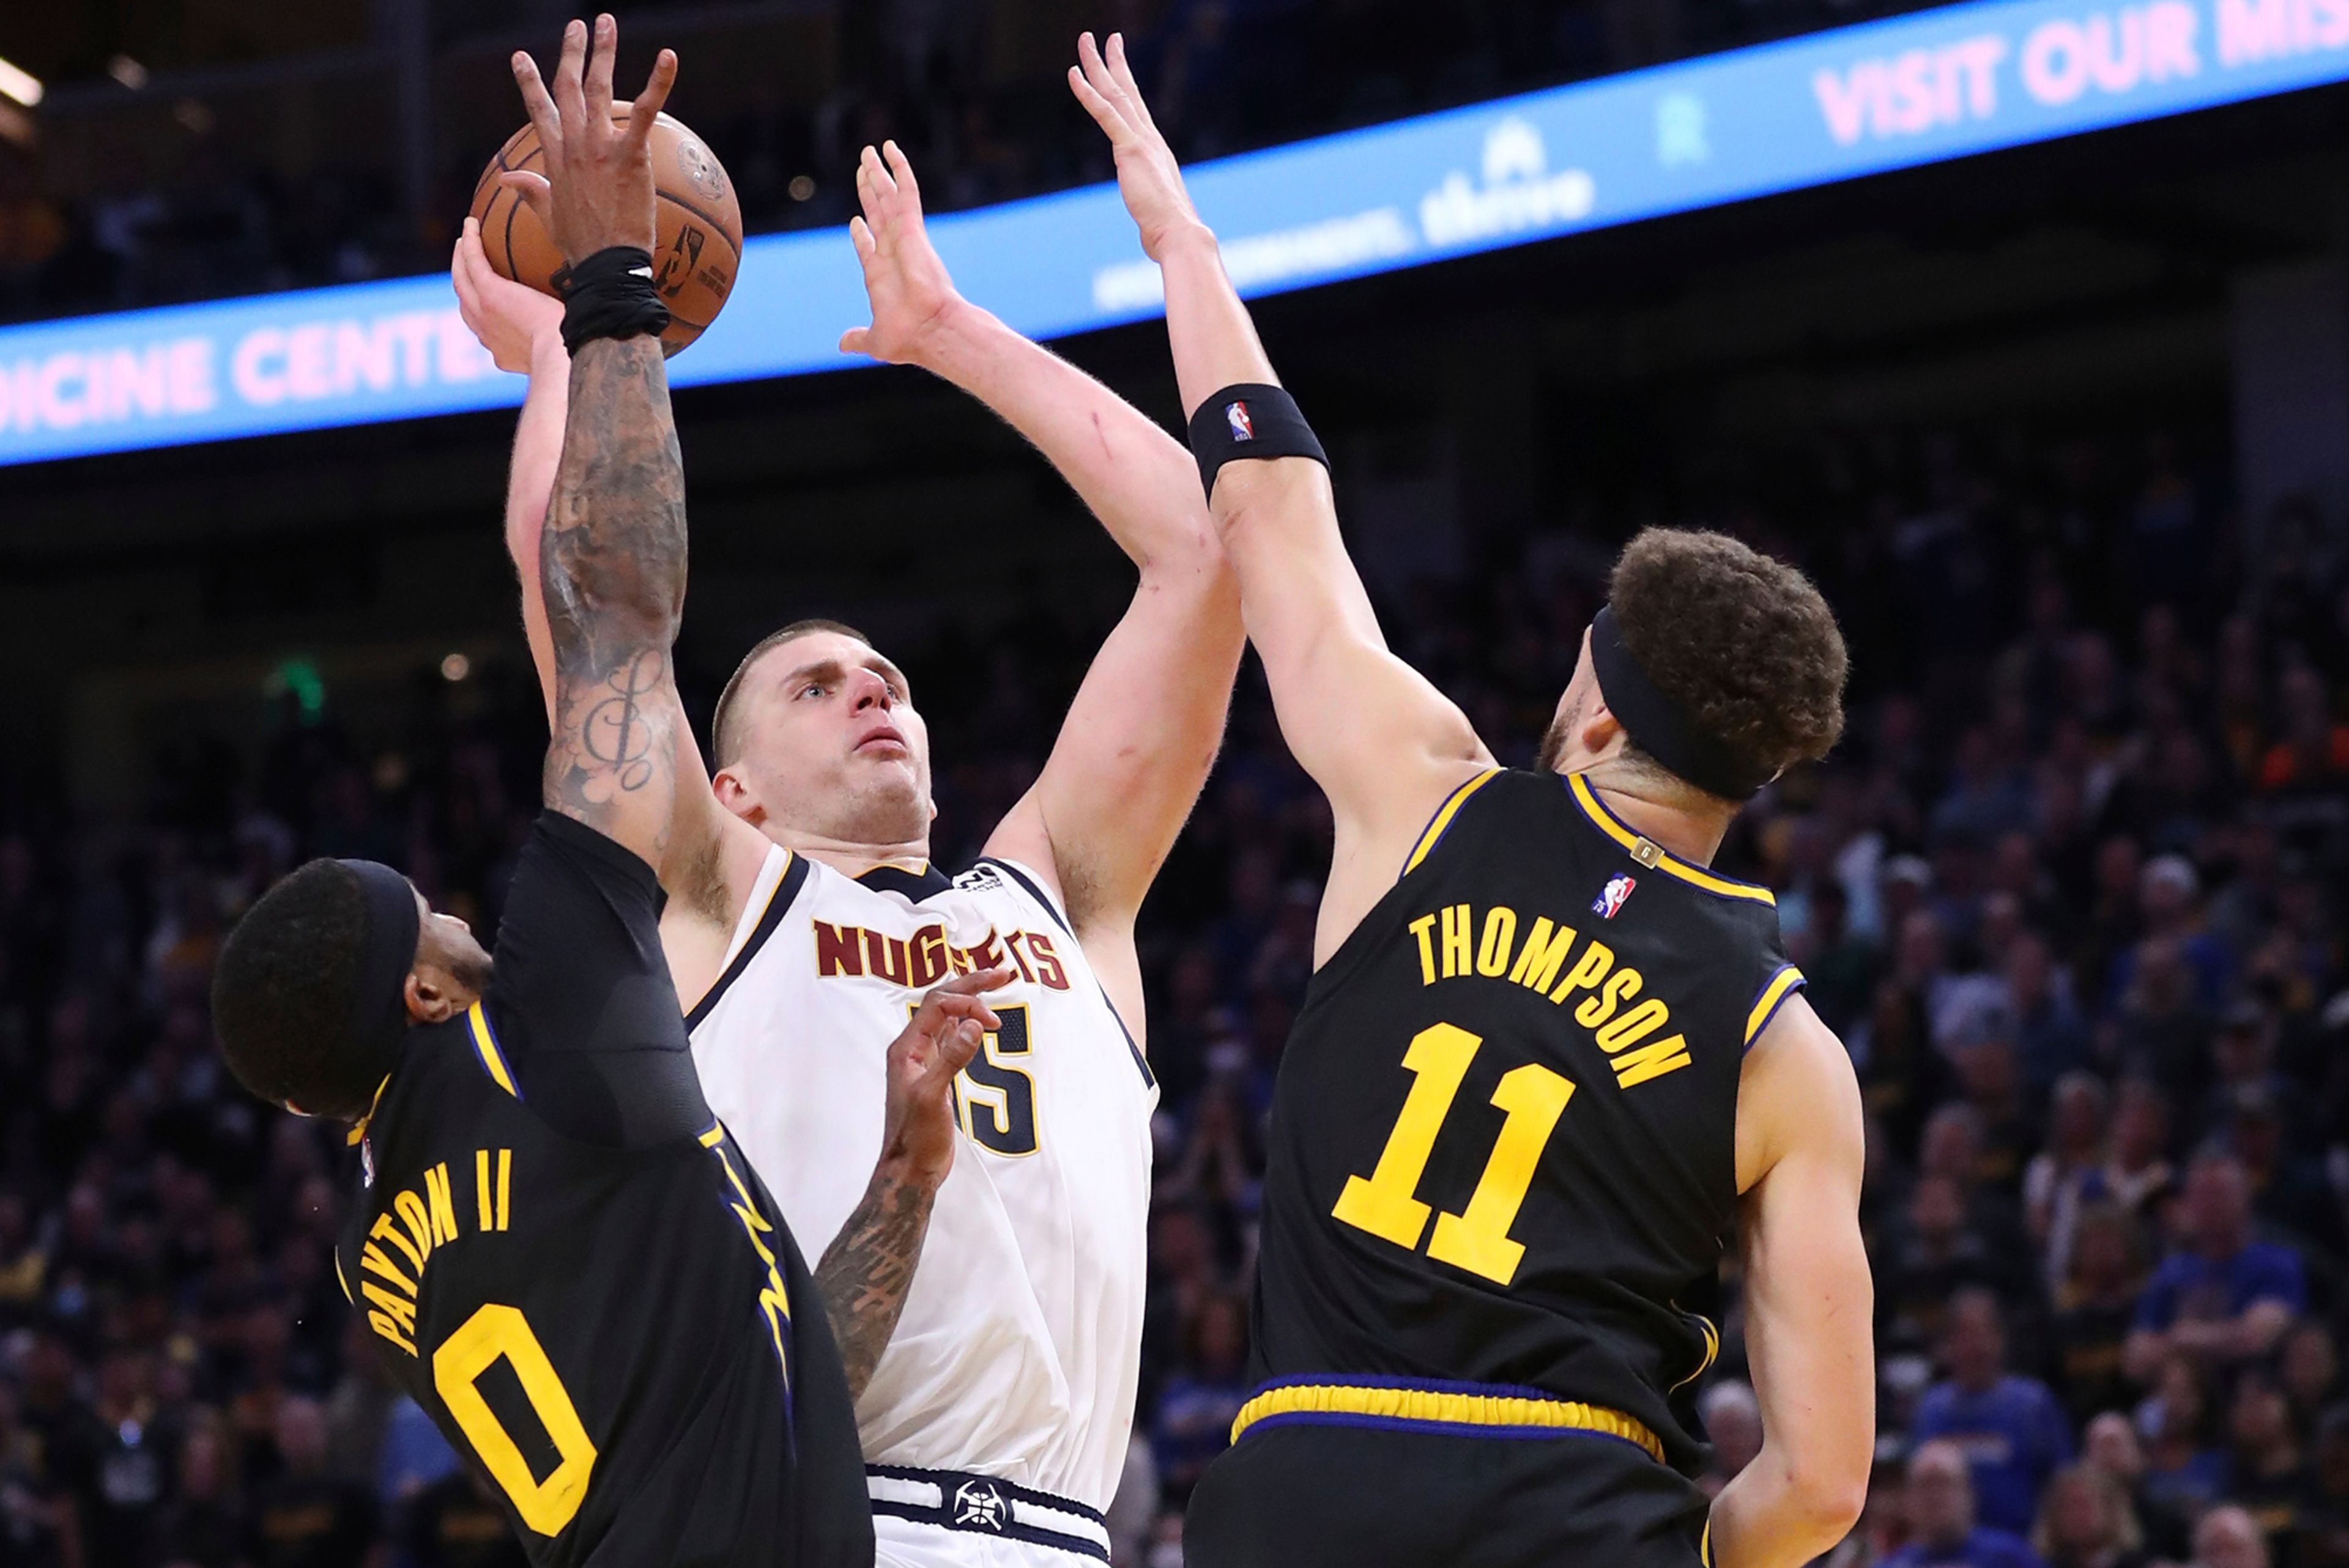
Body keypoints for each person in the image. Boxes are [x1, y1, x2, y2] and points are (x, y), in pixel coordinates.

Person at [1066, 30, 1872, 1568]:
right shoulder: (1788, 1051)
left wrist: (1183, 243)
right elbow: (1821, 1482)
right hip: (1575, 1501)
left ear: (1591, 709)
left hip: (1303, 1476)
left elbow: (1270, 510)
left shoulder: (1421, 793)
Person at [211, 17, 999, 1564]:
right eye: (436, 922)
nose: (467, 919)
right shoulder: (549, 1039)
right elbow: (611, 632)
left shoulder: (389, 1248)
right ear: (432, 1001)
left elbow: (759, 1395)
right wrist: (608, 297)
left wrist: (902, 1178)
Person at [452, 60, 1243, 1568]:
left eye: (883, 676)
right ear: (732, 783)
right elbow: (595, 627)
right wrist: (564, 355)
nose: (871, 688)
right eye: (813, 686)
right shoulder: (714, 888)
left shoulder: (1057, 897)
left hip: (1076, 1539)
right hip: (823, 1523)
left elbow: (1204, 557)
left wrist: (951, 335)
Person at [2125, 1152, 2304, 1378]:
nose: (2212, 1204)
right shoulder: (2172, 1272)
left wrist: (2186, 1338)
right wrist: (2220, 1339)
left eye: (2220, 1193)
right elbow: (2135, 1360)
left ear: (2245, 1196)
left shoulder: (2276, 1264)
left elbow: (2257, 1338)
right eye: (2202, 1195)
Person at [1912, 1289, 2073, 1536]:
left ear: (2001, 1339)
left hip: (2021, 1548)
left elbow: (2060, 1481)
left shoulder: (2032, 1404)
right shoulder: (1932, 1409)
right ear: (1948, 1345)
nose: (1975, 1347)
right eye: (1964, 1335)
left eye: (1983, 1333)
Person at [1883, 1441, 2047, 1568]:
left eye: (1944, 1483)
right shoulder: (1895, 1564)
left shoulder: (2010, 1558)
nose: (1934, 1496)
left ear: (1969, 1493)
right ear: (1907, 1499)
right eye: (1924, 1485)